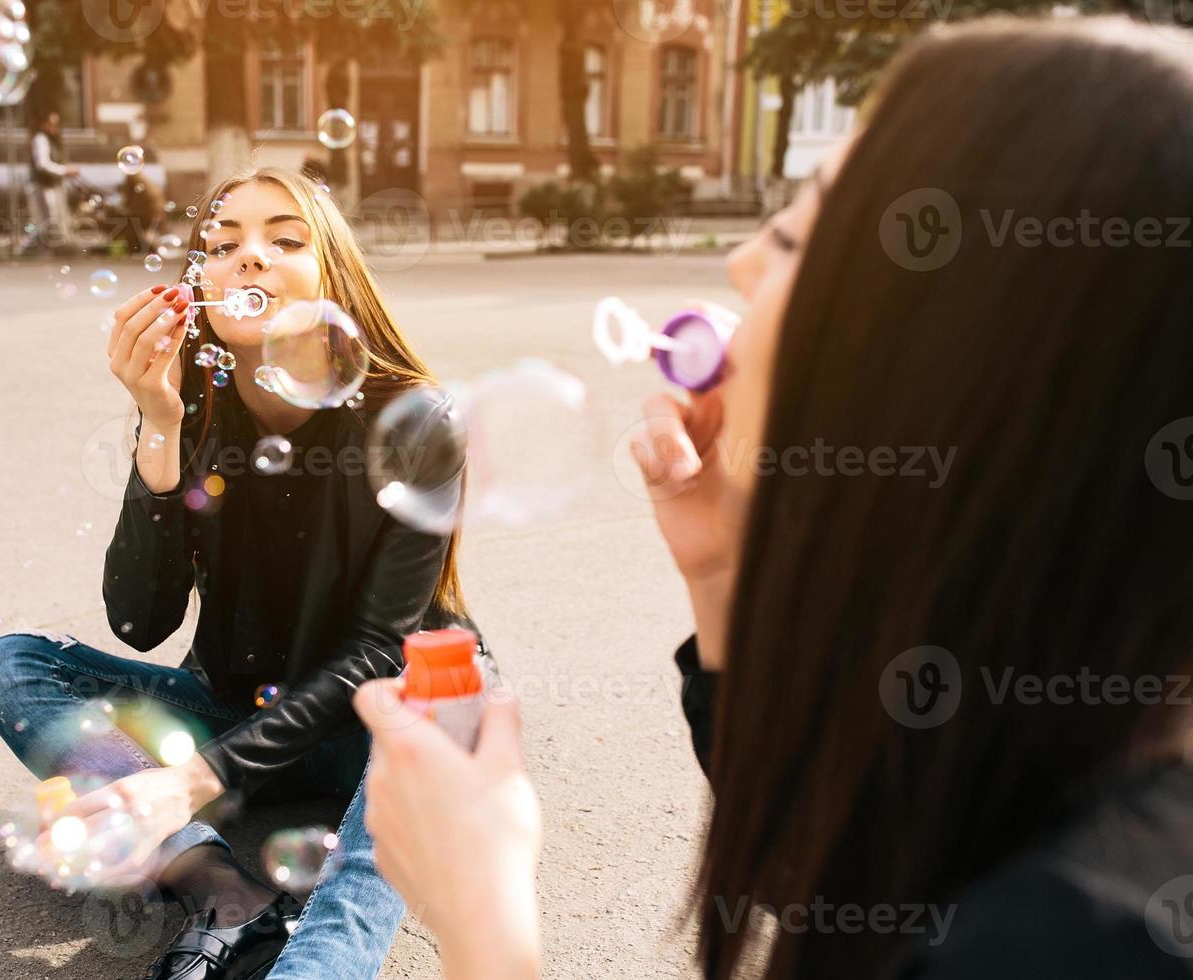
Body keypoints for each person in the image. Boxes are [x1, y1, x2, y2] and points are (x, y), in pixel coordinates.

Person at [351, 16, 1193, 979]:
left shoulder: (1086, 941)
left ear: (954, 347)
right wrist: (720, 576)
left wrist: (482, 924)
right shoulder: (1048, 754)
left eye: (798, 231)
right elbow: (848, 854)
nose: (746, 261)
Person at [0, 166, 485, 980]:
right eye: (220, 244)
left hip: (374, 718)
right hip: (236, 708)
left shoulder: (415, 419)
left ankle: (316, 966)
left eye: (284, 239)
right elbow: (139, 620)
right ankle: (222, 889)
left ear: (335, 276)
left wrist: (189, 779)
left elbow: (379, 650)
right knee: (12, 664)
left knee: (447, 713)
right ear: (198, 285)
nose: (248, 257)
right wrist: (158, 426)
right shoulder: (193, 408)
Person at [27, 111, 78, 254]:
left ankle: (52, 249)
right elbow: (42, 164)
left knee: (56, 218)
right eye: (51, 123)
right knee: (46, 220)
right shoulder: (40, 139)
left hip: (54, 185)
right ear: (44, 124)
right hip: (43, 186)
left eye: (56, 124)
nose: (54, 127)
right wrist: (64, 170)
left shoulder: (55, 140)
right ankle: (32, 249)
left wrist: (66, 169)